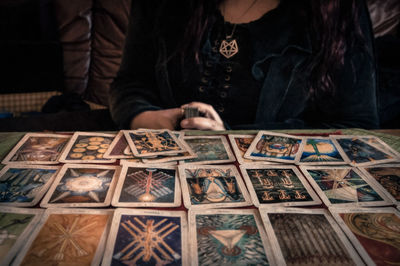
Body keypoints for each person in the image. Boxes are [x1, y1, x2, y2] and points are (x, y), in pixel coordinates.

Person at [109, 0, 379, 131]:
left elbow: (357, 126)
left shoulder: (339, 9)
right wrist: (154, 120)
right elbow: (131, 84)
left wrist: (230, 140)